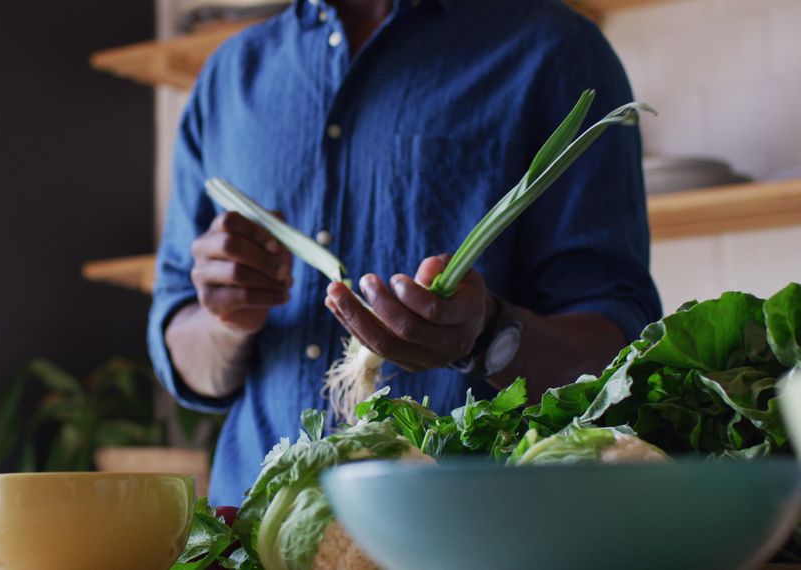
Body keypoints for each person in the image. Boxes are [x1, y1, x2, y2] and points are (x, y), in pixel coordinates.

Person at [147, 0, 661, 506]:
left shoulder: (554, 49)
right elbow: (181, 348)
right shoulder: (228, 77)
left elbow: (619, 354)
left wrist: (488, 336)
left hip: (471, 537)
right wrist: (227, 322)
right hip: (252, 538)